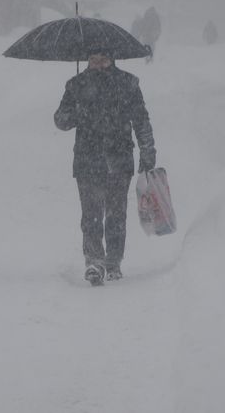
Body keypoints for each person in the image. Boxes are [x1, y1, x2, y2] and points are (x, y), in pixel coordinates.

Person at [54, 53, 156, 286]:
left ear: (111, 57)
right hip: (87, 160)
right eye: (93, 57)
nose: (98, 61)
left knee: (116, 214)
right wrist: (77, 112)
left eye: (102, 57)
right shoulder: (75, 85)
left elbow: (141, 120)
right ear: (87, 58)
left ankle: (113, 262)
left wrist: (148, 151)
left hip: (118, 159)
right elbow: (60, 120)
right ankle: (94, 261)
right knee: (90, 214)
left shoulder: (128, 84)